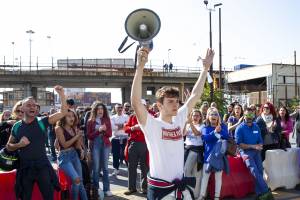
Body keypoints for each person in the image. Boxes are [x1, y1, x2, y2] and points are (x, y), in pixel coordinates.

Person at [131, 47, 214, 199]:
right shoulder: (151, 125)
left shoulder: (179, 118)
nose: (175, 104)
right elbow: (136, 103)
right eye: (170, 101)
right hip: (161, 192)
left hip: (180, 189)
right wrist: (140, 68)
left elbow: (195, 95)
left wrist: (205, 69)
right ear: (159, 105)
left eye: (176, 101)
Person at [6, 85, 67, 200]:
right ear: (22, 109)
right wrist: (19, 145)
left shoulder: (42, 122)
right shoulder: (17, 126)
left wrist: (62, 95)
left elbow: (63, 112)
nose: (32, 107)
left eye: (34, 105)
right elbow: (9, 147)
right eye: (28, 105)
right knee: (25, 197)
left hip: (42, 167)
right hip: (24, 168)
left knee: (48, 197)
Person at [235, 108, 274, 200]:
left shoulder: (256, 126)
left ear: (253, 116)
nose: (249, 117)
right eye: (247, 115)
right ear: (244, 116)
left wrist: (260, 145)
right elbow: (240, 144)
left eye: (251, 115)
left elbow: (260, 140)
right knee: (254, 171)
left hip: (256, 152)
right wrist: (253, 146)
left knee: (260, 171)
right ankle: (266, 191)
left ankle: (259, 194)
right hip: (245, 152)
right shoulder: (239, 128)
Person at [55, 109, 88, 200]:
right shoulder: (58, 128)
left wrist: (81, 149)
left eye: (73, 116)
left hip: (74, 154)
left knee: (80, 182)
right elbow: (64, 145)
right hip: (64, 157)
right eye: (69, 116)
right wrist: (76, 136)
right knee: (76, 180)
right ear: (63, 117)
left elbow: (76, 144)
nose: (72, 118)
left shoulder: (74, 128)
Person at [199, 107, 229, 200]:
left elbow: (227, 136)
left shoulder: (223, 126)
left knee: (218, 178)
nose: (214, 116)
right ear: (208, 116)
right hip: (208, 156)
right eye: (212, 114)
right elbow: (205, 138)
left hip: (218, 157)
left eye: (216, 114)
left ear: (218, 117)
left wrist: (220, 131)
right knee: (205, 177)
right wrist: (215, 132)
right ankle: (202, 196)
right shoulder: (205, 127)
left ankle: (217, 197)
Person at [123, 99, 149, 195]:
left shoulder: (149, 116)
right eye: (139, 105)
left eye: (143, 105)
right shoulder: (132, 116)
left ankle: (144, 188)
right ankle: (132, 188)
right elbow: (125, 128)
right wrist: (133, 128)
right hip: (133, 144)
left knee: (144, 167)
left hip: (145, 144)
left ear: (145, 106)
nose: (140, 107)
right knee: (131, 167)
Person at [87, 102, 113, 198]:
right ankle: (96, 188)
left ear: (104, 110)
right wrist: (98, 131)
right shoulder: (90, 121)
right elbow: (89, 136)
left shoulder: (107, 119)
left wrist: (104, 130)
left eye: (102, 109)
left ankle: (107, 189)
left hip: (106, 144)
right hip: (95, 144)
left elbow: (110, 134)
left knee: (105, 168)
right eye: (98, 109)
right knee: (96, 168)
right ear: (95, 110)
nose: (100, 110)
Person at [183, 109, 204, 199]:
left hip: (196, 150)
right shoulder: (187, 125)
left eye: (197, 116)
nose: (195, 117)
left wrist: (190, 123)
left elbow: (197, 133)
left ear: (200, 117)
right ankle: (189, 193)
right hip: (187, 149)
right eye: (193, 115)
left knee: (195, 173)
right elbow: (183, 134)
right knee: (188, 172)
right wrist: (185, 123)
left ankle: (195, 194)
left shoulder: (202, 126)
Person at [110, 103, 129, 175]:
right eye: (118, 107)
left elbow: (127, 126)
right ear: (115, 109)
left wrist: (118, 125)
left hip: (125, 138)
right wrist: (123, 125)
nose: (120, 109)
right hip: (115, 138)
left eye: (121, 107)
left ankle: (129, 168)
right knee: (115, 154)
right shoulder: (112, 117)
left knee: (126, 154)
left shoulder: (127, 117)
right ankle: (116, 168)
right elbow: (112, 128)